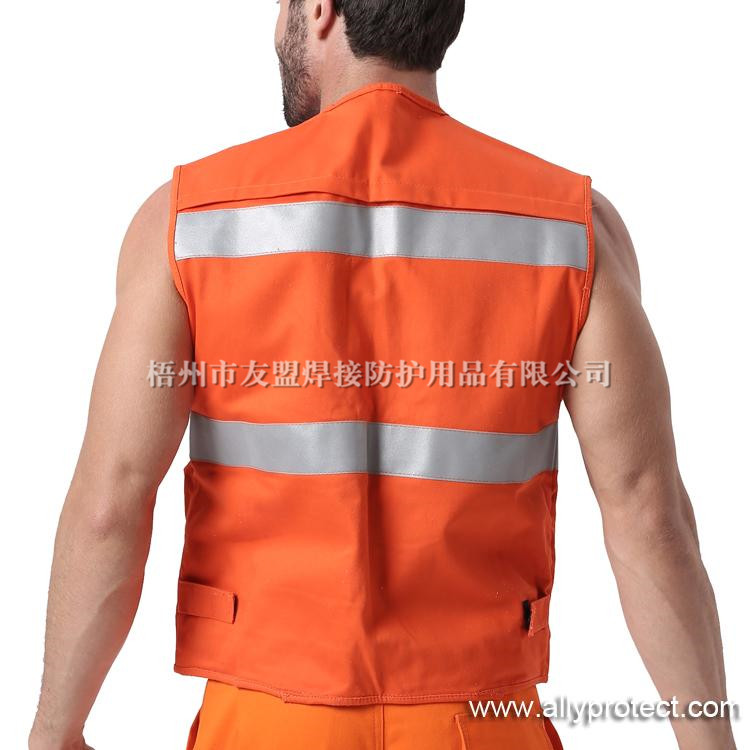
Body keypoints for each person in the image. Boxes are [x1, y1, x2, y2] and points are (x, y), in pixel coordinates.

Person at [29, 1, 736, 749]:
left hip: (264, 723)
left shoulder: (189, 221)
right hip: (482, 724)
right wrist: (710, 740)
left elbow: (109, 504)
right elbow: (648, 515)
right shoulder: (568, 229)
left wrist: (55, 730)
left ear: (322, 9)